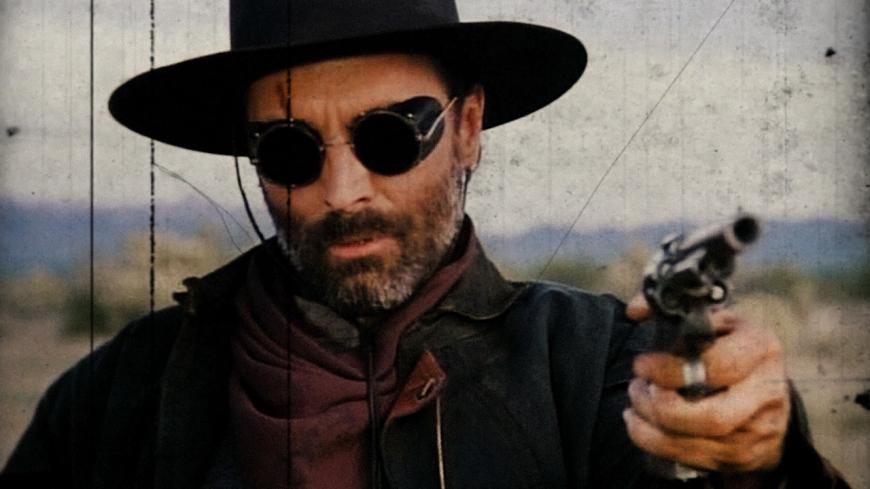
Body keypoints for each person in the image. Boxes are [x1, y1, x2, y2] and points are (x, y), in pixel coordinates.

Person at [0, 0, 851, 488]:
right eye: (290, 150)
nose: (343, 192)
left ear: (469, 127)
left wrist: (762, 461)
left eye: (390, 135)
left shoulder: (602, 368)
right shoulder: (113, 401)